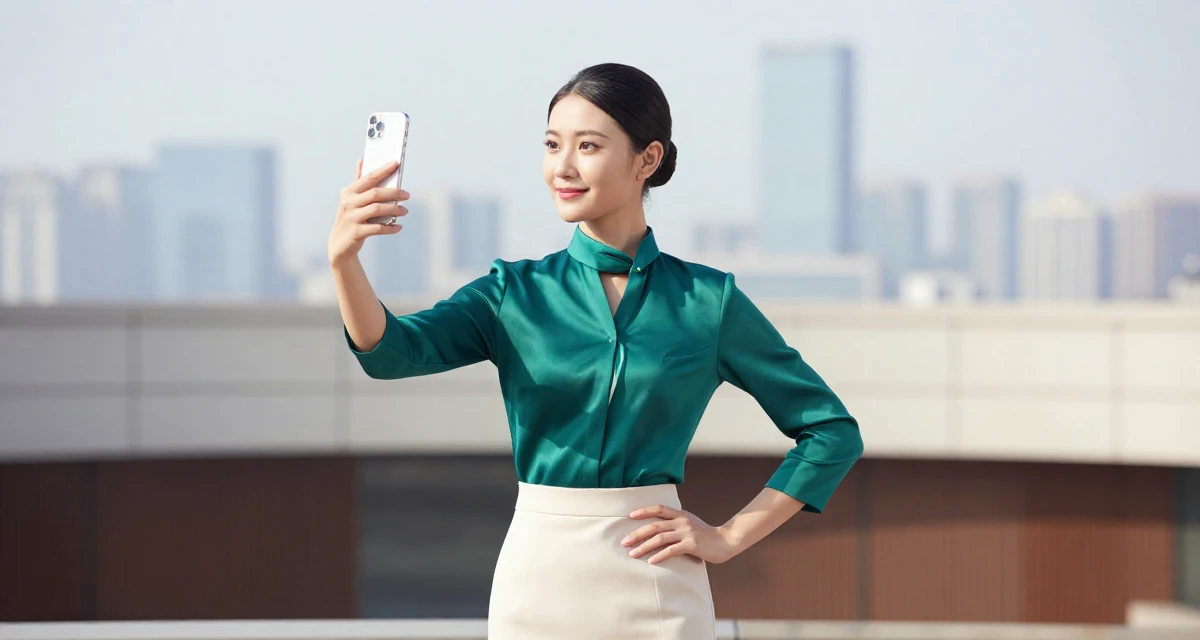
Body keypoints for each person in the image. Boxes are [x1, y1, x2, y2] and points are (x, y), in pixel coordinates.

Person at [328, 62, 864, 640]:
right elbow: (391, 352)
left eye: (588, 146)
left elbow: (831, 432)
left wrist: (730, 537)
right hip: (538, 581)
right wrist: (344, 261)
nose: (562, 166)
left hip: (656, 582)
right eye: (553, 144)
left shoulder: (709, 301)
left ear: (647, 160)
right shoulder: (513, 292)